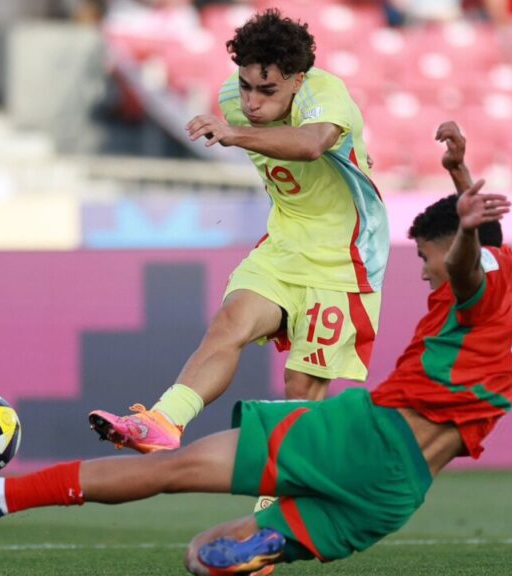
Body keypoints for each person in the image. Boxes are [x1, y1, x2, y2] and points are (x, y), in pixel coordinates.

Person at [0, 122, 512, 575]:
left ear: (453, 247)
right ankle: (262, 547)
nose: (422, 274)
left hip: (364, 437)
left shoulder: (479, 278)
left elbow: (470, 271)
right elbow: (481, 251)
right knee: (205, 553)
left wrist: (464, 232)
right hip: (399, 494)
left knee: (168, 471)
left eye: (424, 259)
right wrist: (460, 180)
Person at [88, 8, 389, 458]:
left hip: (345, 260)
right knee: (229, 323)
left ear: (298, 80)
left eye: (267, 90)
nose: (251, 102)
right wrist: (239, 128)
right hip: (284, 245)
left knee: (300, 386)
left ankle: (284, 500)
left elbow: (310, 145)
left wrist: (236, 135)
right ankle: (164, 421)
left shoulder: (326, 93)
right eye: (246, 86)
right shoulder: (231, 99)